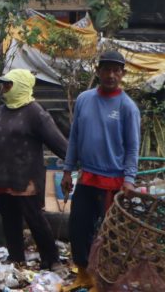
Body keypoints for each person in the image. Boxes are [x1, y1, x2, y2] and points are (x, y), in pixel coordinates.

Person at [61, 51, 140, 292]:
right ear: (98, 71)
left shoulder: (127, 107)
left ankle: (104, 280)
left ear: (123, 74)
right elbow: (74, 138)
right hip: (86, 177)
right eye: (106, 69)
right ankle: (83, 274)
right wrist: (66, 170)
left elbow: (132, 147)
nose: (111, 75)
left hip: (112, 182)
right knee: (78, 227)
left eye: (116, 70)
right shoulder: (85, 99)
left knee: (107, 235)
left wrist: (129, 179)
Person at [0, 69, 67, 270]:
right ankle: (16, 256)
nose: (4, 89)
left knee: (34, 218)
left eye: (8, 85)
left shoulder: (36, 113)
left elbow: (59, 143)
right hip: (2, 176)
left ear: (21, 85)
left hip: (25, 177)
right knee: (9, 217)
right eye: (4, 85)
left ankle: (52, 259)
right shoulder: (1, 110)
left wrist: (73, 163)